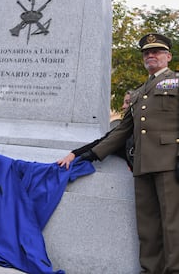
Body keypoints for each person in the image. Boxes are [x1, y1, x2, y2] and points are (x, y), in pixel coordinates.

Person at [77, 33, 179, 273]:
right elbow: (122, 130)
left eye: (156, 51)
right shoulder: (139, 92)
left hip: (169, 163)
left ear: (168, 56)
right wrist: (91, 154)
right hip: (142, 165)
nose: (150, 55)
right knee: (148, 226)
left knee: (173, 224)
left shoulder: (175, 82)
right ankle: (150, 269)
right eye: (146, 52)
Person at [57, 91, 134, 170]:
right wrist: (74, 154)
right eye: (124, 102)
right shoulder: (123, 130)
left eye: (127, 102)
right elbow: (102, 142)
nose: (123, 106)